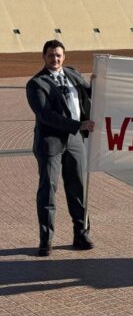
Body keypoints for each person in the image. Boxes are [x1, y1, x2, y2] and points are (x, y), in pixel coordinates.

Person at [26, 40, 96, 257]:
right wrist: (78, 125)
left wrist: (101, 80)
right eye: (50, 56)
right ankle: (46, 240)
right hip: (51, 142)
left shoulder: (73, 74)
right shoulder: (36, 83)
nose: (55, 59)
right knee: (48, 190)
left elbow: (91, 92)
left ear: (64, 57)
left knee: (78, 188)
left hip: (75, 140)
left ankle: (81, 234)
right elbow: (46, 115)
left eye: (58, 55)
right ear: (44, 57)